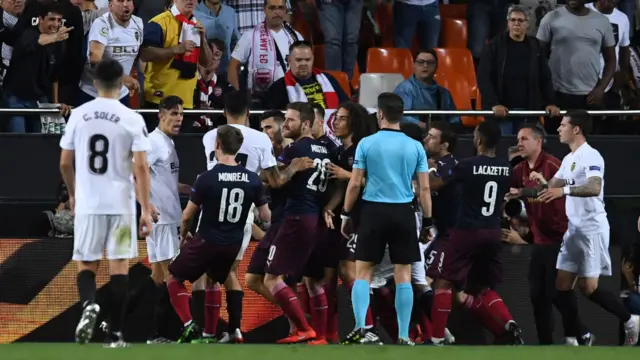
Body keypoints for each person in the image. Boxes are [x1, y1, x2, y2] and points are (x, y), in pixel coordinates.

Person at [58, 58, 153, 347]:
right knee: (119, 268)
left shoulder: (79, 114)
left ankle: (89, 306)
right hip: (121, 207)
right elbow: (141, 167)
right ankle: (114, 334)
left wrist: (73, 194)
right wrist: (145, 210)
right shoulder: (132, 118)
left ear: (95, 82)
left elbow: (64, 162)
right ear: (121, 82)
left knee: (86, 264)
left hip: (89, 204)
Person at [533, 110, 640, 345]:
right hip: (574, 230)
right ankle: (578, 337)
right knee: (560, 286)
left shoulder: (592, 156)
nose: (559, 129)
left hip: (592, 229)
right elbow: (554, 184)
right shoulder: (569, 159)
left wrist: (563, 191)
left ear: (576, 129)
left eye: (563, 125)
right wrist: (538, 185)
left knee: (589, 289)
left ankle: (630, 320)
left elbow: (593, 187)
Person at [341, 92, 433, 346]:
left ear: (380, 114)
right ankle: (404, 335)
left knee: (363, 272)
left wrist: (346, 214)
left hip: (373, 211)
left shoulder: (366, 144)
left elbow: (355, 183)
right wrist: (427, 221)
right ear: (400, 116)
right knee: (403, 275)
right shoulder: (415, 146)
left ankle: (361, 329)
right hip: (403, 212)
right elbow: (424, 189)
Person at [167, 124, 271, 343]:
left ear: (217, 144)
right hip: (233, 241)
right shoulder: (253, 180)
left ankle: (190, 325)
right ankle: (229, 331)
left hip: (207, 239)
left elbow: (187, 215)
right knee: (216, 281)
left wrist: (184, 235)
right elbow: (266, 215)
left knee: (174, 278)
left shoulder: (207, 177)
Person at [430, 120, 523, 346]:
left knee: (443, 284)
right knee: (483, 286)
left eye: (474, 134)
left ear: (479, 139)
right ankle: (509, 324)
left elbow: (437, 184)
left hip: (467, 231)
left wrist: (426, 171)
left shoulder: (466, 165)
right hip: (492, 232)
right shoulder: (506, 168)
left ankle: (436, 338)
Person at [198, 89, 277, 343]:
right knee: (230, 270)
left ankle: (208, 331)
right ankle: (235, 329)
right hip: (242, 213)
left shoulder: (210, 136)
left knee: (208, 273)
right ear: (249, 113)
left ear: (223, 113)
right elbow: (270, 177)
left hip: (211, 210)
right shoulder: (262, 139)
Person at [507, 124, 592, 345]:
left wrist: (524, 193)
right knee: (537, 295)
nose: (519, 143)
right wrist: (517, 220)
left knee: (556, 292)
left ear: (538, 141)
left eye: (524, 139)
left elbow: (551, 192)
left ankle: (580, 333)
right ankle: (546, 344)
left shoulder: (555, 165)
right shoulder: (519, 171)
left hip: (562, 236)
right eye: (518, 139)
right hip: (539, 238)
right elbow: (516, 202)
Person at [119, 95, 192, 344]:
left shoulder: (167, 143)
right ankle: (157, 334)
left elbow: (163, 180)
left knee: (158, 279)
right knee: (169, 278)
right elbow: (132, 171)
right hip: (161, 220)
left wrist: (189, 189)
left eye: (181, 113)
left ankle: (114, 322)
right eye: (173, 113)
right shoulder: (154, 142)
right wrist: (146, 205)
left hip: (170, 218)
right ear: (161, 114)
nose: (179, 118)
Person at [261, 102, 330, 344]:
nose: (286, 124)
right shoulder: (324, 149)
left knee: (271, 278)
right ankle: (320, 336)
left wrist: (287, 168)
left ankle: (303, 328)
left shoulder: (296, 149)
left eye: (291, 120)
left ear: (307, 124)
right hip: (314, 217)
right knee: (310, 280)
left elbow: (274, 180)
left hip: (296, 217)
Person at [322, 101, 378, 342]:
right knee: (346, 271)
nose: (336, 122)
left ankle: (367, 327)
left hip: (366, 217)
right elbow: (343, 187)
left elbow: (375, 183)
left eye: (342, 118)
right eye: (336, 117)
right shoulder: (342, 152)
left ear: (353, 122)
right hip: (349, 218)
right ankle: (363, 326)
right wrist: (329, 208)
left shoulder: (363, 149)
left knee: (352, 270)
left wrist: (347, 175)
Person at [536, 0, 616, 134]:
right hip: (557, 94)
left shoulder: (601, 21)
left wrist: (601, 88)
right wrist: (545, 92)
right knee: (557, 144)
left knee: (587, 144)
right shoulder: (551, 18)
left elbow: (611, 60)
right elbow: (538, 58)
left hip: (590, 96)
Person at [477, 5, 559, 135]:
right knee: (504, 148)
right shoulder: (494, 46)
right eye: (513, 20)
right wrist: (494, 104)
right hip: (502, 114)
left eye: (520, 20)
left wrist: (549, 102)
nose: (516, 23)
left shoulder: (535, 46)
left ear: (527, 24)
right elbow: (484, 77)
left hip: (528, 112)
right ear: (508, 23)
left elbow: (545, 77)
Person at [77, 0, 143, 106]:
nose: (125, 5)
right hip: (93, 93)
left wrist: (129, 78)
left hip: (120, 93)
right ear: (110, 5)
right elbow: (94, 59)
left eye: (129, 1)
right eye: (120, 1)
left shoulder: (138, 23)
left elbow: (134, 55)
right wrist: (123, 78)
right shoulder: (101, 23)